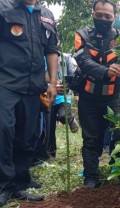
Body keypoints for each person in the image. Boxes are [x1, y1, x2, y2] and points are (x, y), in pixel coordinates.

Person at [74, 0, 120, 188]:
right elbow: (83, 61)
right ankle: (91, 176)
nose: (103, 19)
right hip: (88, 96)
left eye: (108, 16)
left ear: (115, 16)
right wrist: (105, 71)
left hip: (113, 97)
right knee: (91, 137)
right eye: (99, 15)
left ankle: (119, 170)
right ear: (93, 14)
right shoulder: (81, 35)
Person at [0, 0, 59, 205]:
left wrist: (52, 82)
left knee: (28, 135)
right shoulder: (3, 8)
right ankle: (4, 184)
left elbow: (51, 50)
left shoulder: (47, 15)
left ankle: (20, 182)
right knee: (4, 130)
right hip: (5, 82)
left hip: (34, 86)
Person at [48, 53, 79, 158]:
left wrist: (76, 93)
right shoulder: (43, 56)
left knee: (63, 115)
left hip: (64, 96)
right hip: (48, 96)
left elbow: (73, 75)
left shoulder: (66, 57)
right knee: (50, 127)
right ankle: (51, 153)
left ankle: (70, 119)